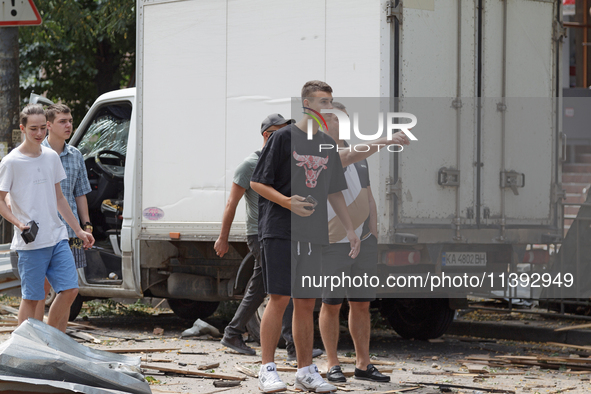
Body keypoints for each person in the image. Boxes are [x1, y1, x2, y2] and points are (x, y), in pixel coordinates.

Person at [251, 80, 360, 393]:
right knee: (280, 298)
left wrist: (350, 228)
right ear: (307, 105)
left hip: (313, 233)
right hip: (279, 229)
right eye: (321, 102)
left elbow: (335, 190)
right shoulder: (283, 138)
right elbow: (258, 182)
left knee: (306, 302)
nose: (326, 108)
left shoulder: (326, 143)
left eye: (330, 102)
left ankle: (305, 371)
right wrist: (287, 202)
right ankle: (267, 368)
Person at [217, 113, 322, 361]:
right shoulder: (250, 164)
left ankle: (232, 332)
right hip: (260, 233)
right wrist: (223, 238)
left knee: (262, 287)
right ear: (267, 135)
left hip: (275, 233)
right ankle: (293, 347)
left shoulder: (285, 161)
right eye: (281, 131)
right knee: (282, 288)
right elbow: (231, 204)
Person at [318, 102, 409, 384]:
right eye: (333, 118)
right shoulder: (322, 152)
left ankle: (362, 364)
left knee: (361, 304)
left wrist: (374, 228)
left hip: (364, 241)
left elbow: (367, 194)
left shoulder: (361, 158)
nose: (339, 122)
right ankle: (332, 363)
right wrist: (387, 140)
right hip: (334, 241)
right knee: (332, 304)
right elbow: (345, 156)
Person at [0, 104, 94, 333]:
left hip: (57, 236)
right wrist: (19, 223)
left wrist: (80, 230)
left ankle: (50, 340)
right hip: (31, 243)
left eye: (43, 128)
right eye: (34, 128)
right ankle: (23, 347)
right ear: (23, 128)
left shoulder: (51, 157)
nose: (39, 133)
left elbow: (60, 198)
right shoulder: (11, 162)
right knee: (32, 298)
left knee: (70, 290)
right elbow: (1, 201)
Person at [33, 103, 93, 320]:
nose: (68, 125)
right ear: (48, 125)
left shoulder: (76, 155)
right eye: (63, 121)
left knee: (70, 289)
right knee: (41, 288)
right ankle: (37, 337)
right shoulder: (37, 153)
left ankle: (54, 336)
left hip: (70, 230)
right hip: (43, 230)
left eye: (70, 121)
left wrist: (86, 226)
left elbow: (80, 194)